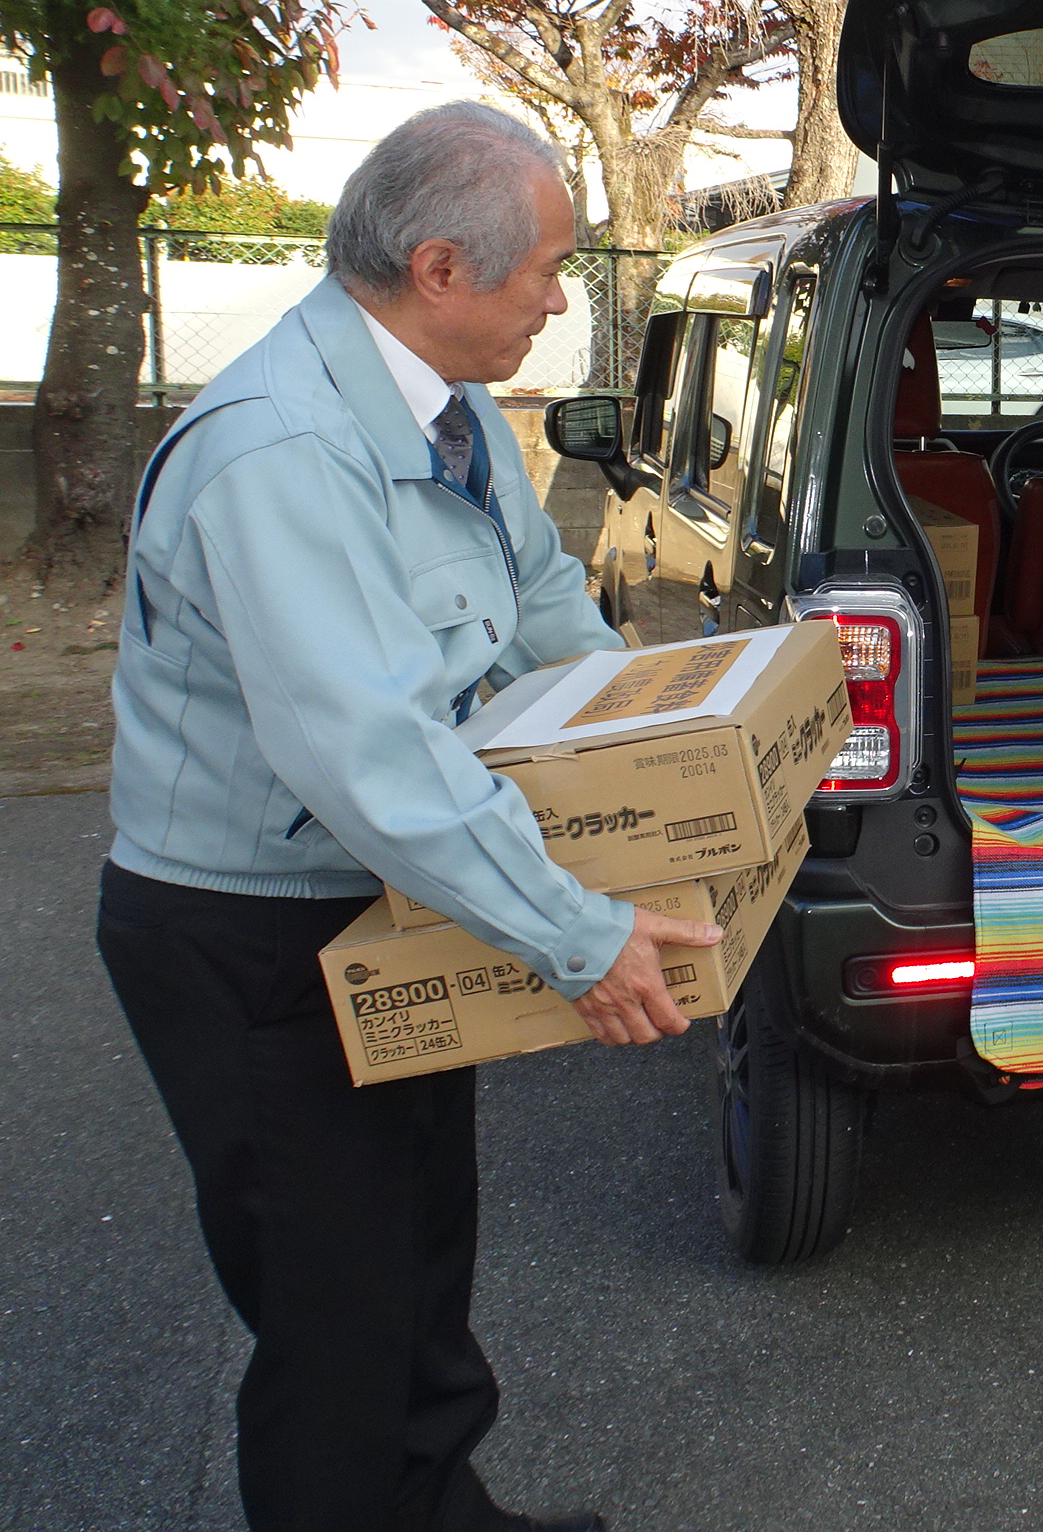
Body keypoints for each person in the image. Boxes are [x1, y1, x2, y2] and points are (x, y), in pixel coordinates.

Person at [99, 102, 718, 1532]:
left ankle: (441, 1513)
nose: (564, 298)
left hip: (385, 895)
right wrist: (579, 933)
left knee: (424, 1256)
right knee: (336, 1322)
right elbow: (366, 752)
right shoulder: (280, 448)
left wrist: (684, 759)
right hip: (251, 934)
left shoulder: (444, 412)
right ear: (441, 267)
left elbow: (546, 609)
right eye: (547, 271)